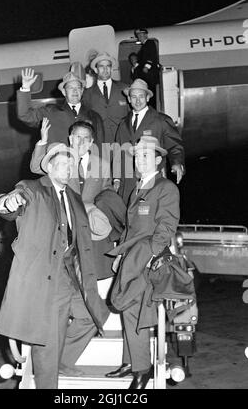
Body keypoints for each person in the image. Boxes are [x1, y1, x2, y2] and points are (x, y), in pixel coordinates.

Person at [0, 144, 106, 389]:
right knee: (47, 342)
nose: (67, 169)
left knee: (94, 315)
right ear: (50, 166)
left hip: (71, 276)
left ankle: (62, 362)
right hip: (46, 278)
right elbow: (10, 203)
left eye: (71, 165)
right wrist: (7, 202)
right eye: (62, 164)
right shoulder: (32, 188)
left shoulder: (75, 200)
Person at [29, 119, 127, 375]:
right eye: (77, 137)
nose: (81, 142)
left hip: (87, 245)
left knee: (92, 313)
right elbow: (37, 168)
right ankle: (51, 365)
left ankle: (61, 362)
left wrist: (100, 216)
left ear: (92, 143)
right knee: (58, 311)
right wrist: (41, 142)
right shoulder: (61, 161)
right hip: (59, 249)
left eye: (86, 138)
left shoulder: (101, 166)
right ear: (70, 138)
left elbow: (106, 196)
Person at [106, 136, 180, 389]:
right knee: (128, 308)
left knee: (135, 309)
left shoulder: (165, 188)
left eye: (145, 156)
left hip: (147, 258)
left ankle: (142, 368)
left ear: (158, 160)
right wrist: (120, 256)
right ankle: (130, 361)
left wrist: (150, 257)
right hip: (132, 257)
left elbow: (167, 226)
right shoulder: (139, 188)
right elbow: (131, 228)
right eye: (137, 156)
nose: (139, 160)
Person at [113, 78, 185, 205]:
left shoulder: (161, 120)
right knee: (129, 217)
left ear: (147, 98)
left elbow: (174, 145)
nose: (137, 100)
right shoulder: (123, 124)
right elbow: (117, 152)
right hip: (127, 182)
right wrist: (117, 178)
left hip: (151, 180)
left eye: (141, 96)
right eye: (134, 97)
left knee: (150, 213)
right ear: (129, 99)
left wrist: (177, 163)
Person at [17, 68, 105, 151]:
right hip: (59, 165)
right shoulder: (50, 112)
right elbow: (25, 115)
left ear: (82, 91)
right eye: (70, 88)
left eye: (78, 88)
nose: (75, 91)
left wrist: (100, 166)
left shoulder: (94, 116)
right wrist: (25, 88)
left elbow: (100, 146)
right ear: (63, 92)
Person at [82, 52, 129, 144]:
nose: (105, 69)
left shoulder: (124, 89)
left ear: (111, 69)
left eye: (108, 66)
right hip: (99, 144)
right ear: (95, 70)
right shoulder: (87, 94)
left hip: (123, 142)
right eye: (101, 66)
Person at [133, 28, 161, 97]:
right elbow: (140, 59)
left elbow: (151, 56)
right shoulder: (144, 46)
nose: (139, 37)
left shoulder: (150, 43)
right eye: (138, 36)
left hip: (149, 74)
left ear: (146, 35)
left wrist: (146, 67)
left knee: (151, 91)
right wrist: (135, 66)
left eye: (141, 35)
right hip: (145, 75)